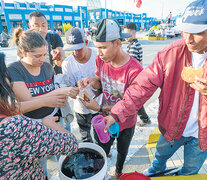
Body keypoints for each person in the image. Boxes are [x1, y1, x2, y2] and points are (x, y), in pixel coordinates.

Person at [104, 0, 207, 176]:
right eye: (185, 30)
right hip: (171, 127)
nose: (188, 39)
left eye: (197, 33)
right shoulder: (170, 54)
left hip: (202, 136)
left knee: (190, 171)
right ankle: (156, 168)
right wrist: (116, 113)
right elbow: (142, 86)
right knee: (159, 156)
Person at [7, 28, 79, 177]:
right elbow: (27, 102)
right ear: (25, 53)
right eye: (37, 55)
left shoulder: (46, 66)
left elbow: (53, 89)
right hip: (32, 126)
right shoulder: (14, 69)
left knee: (66, 157)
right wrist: (54, 95)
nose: (42, 59)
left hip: (54, 119)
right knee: (40, 166)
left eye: (45, 54)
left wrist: (65, 90)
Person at [78, 18, 143, 179]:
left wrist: (98, 108)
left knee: (122, 150)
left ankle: (118, 171)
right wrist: (92, 82)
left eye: (103, 48)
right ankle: (101, 173)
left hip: (126, 122)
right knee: (102, 149)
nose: (98, 53)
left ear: (117, 43)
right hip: (104, 120)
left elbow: (130, 105)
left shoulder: (134, 70)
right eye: (96, 47)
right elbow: (100, 81)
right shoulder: (101, 59)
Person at [61, 27, 102, 142]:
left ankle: (103, 151)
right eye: (71, 49)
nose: (75, 53)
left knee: (101, 133)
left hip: (99, 105)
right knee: (85, 137)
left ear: (86, 43)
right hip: (81, 108)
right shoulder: (67, 64)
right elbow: (69, 88)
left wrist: (95, 83)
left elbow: (106, 83)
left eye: (78, 49)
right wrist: (74, 89)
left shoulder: (98, 56)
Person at [124, 22, 151, 127]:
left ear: (134, 33)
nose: (125, 36)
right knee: (135, 100)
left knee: (135, 100)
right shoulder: (132, 44)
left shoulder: (134, 46)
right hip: (136, 76)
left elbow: (130, 64)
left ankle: (145, 119)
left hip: (134, 77)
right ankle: (144, 118)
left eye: (127, 34)